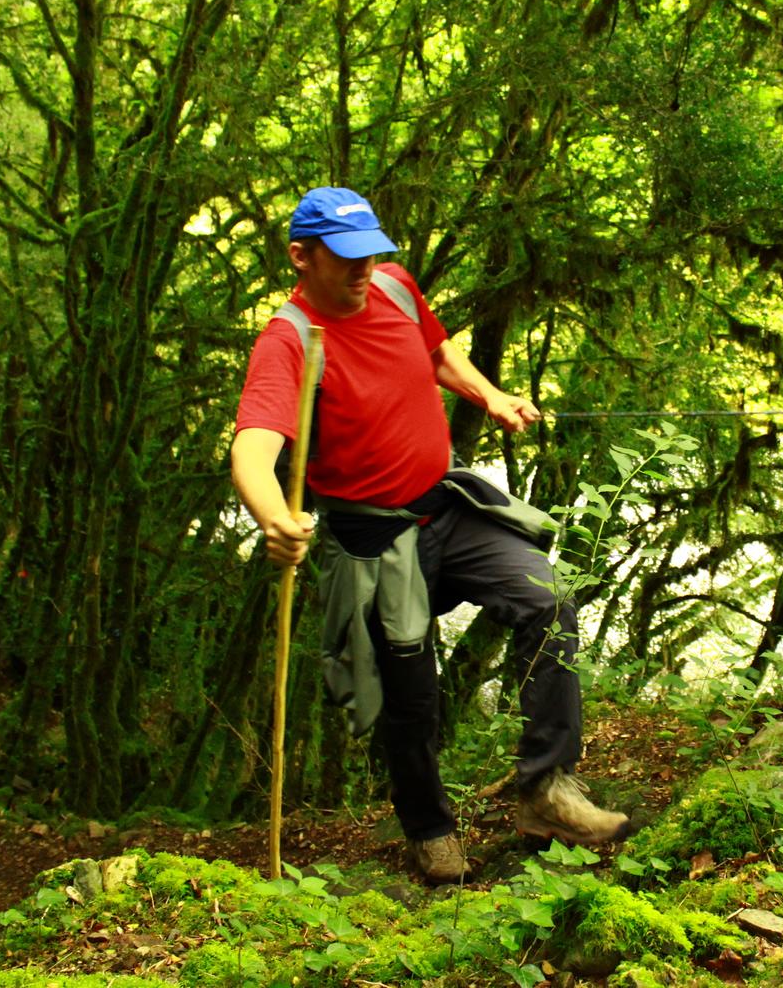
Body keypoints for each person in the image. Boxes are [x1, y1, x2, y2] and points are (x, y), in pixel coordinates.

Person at [231, 187, 628, 884]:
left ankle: (546, 789)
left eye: (371, 253)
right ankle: (428, 829)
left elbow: (438, 353)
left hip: (446, 508)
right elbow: (254, 447)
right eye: (345, 257)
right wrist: (275, 518)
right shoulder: (290, 340)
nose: (363, 269)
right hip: (373, 543)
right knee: (410, 696)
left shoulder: (393, 286)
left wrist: (490, 396)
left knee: (546, 599)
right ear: (302, 256)